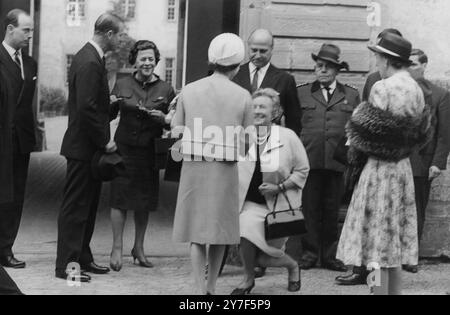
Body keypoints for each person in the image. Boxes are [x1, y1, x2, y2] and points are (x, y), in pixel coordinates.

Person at [337, 33, 431, 295]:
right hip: (402, 169)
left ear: (386, 59)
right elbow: (420, 135)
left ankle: (377, 293)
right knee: (392, 244)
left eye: (378, 56)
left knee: (376, 245)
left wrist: (355, 154)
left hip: (378, 170)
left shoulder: (382, 87)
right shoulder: (417, 88)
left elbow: (366, 135)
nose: (376, 62)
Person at [171, 33, 254, 295]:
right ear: (237, 66)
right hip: (225, 168)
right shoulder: (243, 96)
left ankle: (199, 289)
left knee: (197, 230)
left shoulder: (190, 90)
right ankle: (211, 287)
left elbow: (176, 129)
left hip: (195, 165)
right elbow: (248, 140)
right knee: (221, 231)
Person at [56, 13, 125, 282]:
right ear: (108, 34)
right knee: (75, 208)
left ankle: (82, 257)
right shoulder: (89, 61)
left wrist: (110, 105)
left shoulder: (90, 58)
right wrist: (104, 140)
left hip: (87, 149)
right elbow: (85, 108)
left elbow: (92, 105)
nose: (120, 40)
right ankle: (67, 266)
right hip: (83, 149)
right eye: (118, 35)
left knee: (87, 206)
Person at [336, 27, 404, 286]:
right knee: (371, 220)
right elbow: (362, 111)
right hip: (375, 158)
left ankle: (376, 279)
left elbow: (368, 124)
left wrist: (358, 144)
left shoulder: (387, 83)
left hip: (378, 159)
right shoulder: (374, 79)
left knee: (375, 222)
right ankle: (364, 271)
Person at [231, 88, 309, 295]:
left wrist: (280, 187)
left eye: (262, 107)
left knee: (264, 258)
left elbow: (303, 170)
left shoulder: (288, 136)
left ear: (275, 112)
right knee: (245, 232)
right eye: (253, 107)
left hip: (278, 207)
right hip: (249, 205)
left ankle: (292, 266)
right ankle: (248, 280)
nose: (257, 111)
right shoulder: (242, 137)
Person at [109, 40, 176, 272]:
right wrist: (109, 104)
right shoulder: (121, 83)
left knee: (144, 202)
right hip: (124, 150)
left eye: (151, 58)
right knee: (119, 199)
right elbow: (108, 115)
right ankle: (117, 247)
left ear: (156, 61)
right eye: (143, 58)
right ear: (135, 61)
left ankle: (139, 248)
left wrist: (164, 119)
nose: (147, 62)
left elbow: (174, 123)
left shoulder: (166, 89)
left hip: (149, 152)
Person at [297, 44, 360, 272]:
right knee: (310, 208)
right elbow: (294, 126)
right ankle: (310, 253)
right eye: (318, 66)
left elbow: (356, 128)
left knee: (333, 210)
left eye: (327, 67)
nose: (322, 70)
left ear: (336, 70)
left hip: (337, 162)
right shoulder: (302, 92)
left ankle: (332, 255)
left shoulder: (350, 94)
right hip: (309, 159)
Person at [406, 49, 450, 273]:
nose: (409, 68)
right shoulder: (397, 89)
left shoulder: (439, 94)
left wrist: (437, 163)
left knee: (417, 210)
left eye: (413, 64)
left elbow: (444, 134)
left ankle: (411, 256)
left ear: (424, 65)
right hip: (397, 160)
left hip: (422, 163)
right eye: (407, 64)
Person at [0, 9, 38, 270]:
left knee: (16, 198)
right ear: (10, 29)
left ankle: (6, 249)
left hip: (20, 142)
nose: (29, 35)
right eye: (26, 30)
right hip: (1, 139)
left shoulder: (30, 63)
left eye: (32, 31)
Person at [233, 29, 302, 136]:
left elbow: (294, 120)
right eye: (254, 50)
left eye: (263, 51)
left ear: (271, 50)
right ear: (248, 47)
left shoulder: (285, 80)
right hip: (238, 139)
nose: (258, 55)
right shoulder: (234, 75)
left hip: (270, 141)